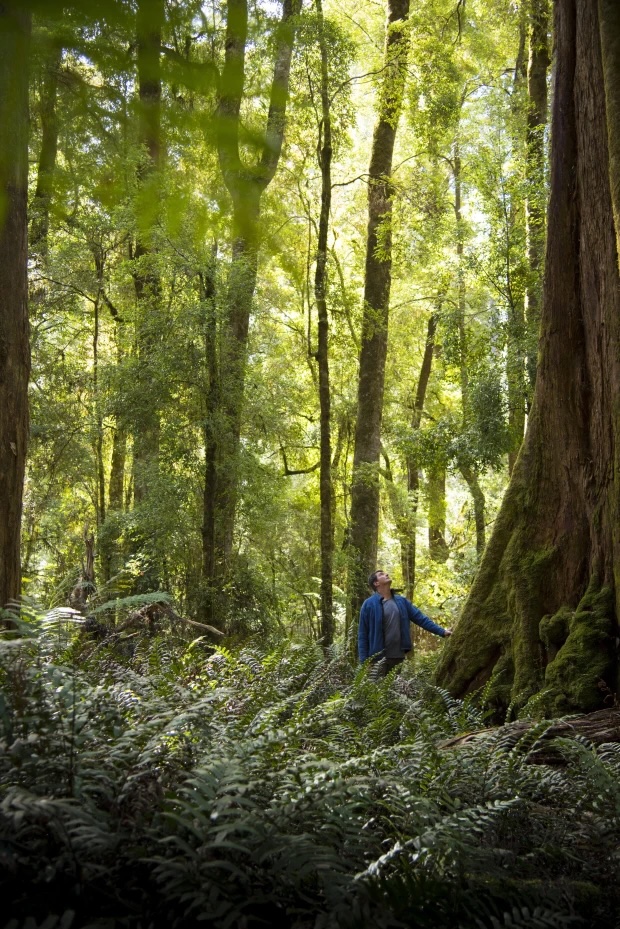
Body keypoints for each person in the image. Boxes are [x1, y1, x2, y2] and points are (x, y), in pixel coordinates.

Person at [358, 569, 452, 676]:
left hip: (397, 656)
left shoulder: (401, 601)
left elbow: (420, 618)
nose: (386, 574)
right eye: (381, 574)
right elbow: (363, 634)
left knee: (393, 690)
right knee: (375, 691)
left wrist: (442, 631)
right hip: (377, 658)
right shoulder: (369, 604)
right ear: (376, 583)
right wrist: (364, 662)